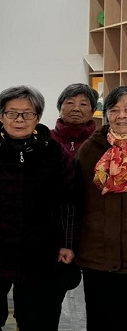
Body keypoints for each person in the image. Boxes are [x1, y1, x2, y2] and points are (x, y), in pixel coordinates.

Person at [0, 85, 75, 331]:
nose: (19, 119)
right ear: (0, 115)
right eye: (12, 113)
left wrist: (68, 243)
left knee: (38, 320)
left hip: (40, 252)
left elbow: (68, 200)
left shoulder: (54, 152)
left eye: (27, 114)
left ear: (38, 117)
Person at [75, 86, 127, 331]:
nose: (121, 115)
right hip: (98, 255)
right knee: (101, 321)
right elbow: (76, 200)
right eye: (114, 110)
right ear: (106, 115)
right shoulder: (91, 149)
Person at [49, 82, 98, 326]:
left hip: (94, 233)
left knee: (99, 302)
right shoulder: (45, 140)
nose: (76, 108)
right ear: (59, 108)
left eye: (83, 103)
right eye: (69, 102)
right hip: (54, 232)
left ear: (93, 110)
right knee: (48, 300)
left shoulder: (103, 144)